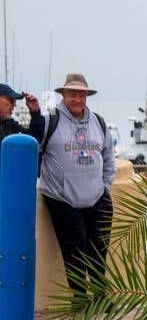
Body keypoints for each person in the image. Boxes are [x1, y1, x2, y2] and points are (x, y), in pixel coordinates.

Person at [39, 73, 116, 296]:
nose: (77, 99)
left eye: (81, 95)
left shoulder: (98, 122)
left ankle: (100, 297)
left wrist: (105, 186)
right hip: (63, 200)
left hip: (97, 199)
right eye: (72, 94)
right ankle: (80, 300)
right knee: (74, 252)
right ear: (63, 95)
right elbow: (33, 149)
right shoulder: (49, 119)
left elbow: (109, 157)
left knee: (99, 252)